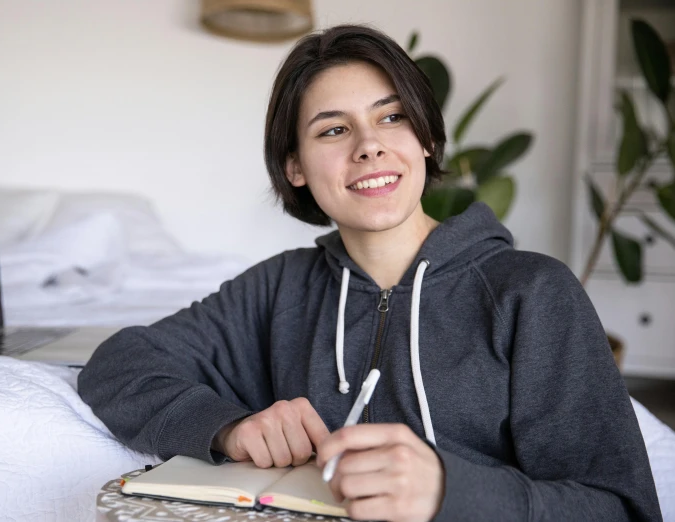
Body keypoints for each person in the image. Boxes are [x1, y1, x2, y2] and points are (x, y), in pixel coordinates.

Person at [78, 24, 661, 522]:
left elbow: (620, 507)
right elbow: (118, 366)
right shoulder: (277, 289)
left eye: (392, 118)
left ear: (428, 139)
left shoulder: (532, 293)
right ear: (295, 167)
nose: (369, 147)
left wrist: (449, 492)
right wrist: (228, 427)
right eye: (333, 129)